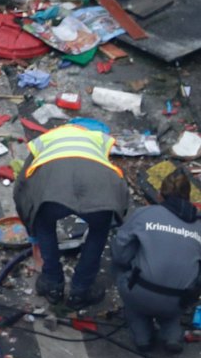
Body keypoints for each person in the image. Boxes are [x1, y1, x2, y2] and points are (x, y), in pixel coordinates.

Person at [14, 121, 129, 308]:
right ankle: (81, 290)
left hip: (53, 196)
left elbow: (21, 187)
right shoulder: (98, 140)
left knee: (44, 222)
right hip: (98, 193)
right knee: (99, 230)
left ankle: (52, 284)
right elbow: (115, 183)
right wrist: (116, 215)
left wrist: (32, 228)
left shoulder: (45, 140)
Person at [111, 169, 201, 353]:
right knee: (173, 299)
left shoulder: (144, 214)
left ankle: (142, 335)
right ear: (188, 197)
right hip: (180, 299)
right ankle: (172, 333)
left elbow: (120, 253)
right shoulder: (198, 225)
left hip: (141, 292)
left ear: (160, 195)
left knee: (119, 268)